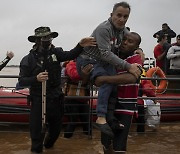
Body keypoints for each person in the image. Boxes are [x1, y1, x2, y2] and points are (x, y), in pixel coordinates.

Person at [18, 26, 96, 153]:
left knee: (55, 130)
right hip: (38, 99)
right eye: (44, 38)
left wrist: (80, 45)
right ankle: (37, 148)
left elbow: (70, 54)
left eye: (49, 37)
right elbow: (22, 81)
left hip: (55, 98)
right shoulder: (28, 59)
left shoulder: (56, 53)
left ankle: (49, 146)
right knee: (36, 133)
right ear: (37, 40)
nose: (48, 40)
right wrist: (36, 78)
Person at [76, 2, 142, 137]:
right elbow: (106, 53)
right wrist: (128, 66)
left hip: (102, 62)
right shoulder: (104, 29)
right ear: (111, 15)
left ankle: (110, 118)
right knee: (106, 82)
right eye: (119, 15)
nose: (122, 19)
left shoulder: (123, 30)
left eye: (125, 17)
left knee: (113, 84)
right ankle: (100, 117)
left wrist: (139, 50)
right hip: (88, 60)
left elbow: (132, 40)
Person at [94, 32, 143, 153]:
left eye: (130, 41)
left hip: (125, 107)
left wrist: (104, 79)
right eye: (124, 39)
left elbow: (132, 78)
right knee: (105, 142)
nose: (125, 42)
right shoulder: (112, 56)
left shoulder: (136, 58)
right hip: (109, 105)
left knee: (119, 144)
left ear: (136, 47)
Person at [63, 60, 92, 138]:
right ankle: (67, 139)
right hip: (71, 99)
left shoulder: (90, 64)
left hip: (83, 99)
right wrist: (87, 71)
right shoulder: (71, 64)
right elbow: (74, 75)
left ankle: (89, 140)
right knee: (73, 121)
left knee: (87, 122)